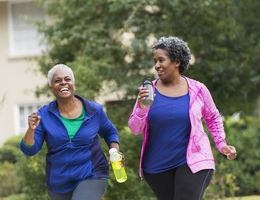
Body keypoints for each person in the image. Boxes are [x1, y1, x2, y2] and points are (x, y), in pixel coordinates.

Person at [128, 36, 237, 200]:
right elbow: (135, 129)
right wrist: (142, 109)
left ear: (177, 62)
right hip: (156, 167)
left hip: (193, 162)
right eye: (155, 61)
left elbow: (213, 117)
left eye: (161, 60)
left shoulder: (198, 90)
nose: (156, 65)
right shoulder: (147, 91)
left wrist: (221, 143)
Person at [20, 64, 122, 200]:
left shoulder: (94, 110)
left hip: (92, 174)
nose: (63, 82)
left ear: (73, 84)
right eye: (57, 80)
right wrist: (31, 130)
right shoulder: (44, 115)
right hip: (58, 182)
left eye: (67, 79)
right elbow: (29, 150)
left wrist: (114, 151)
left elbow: (110, 131)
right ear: (51, 88)